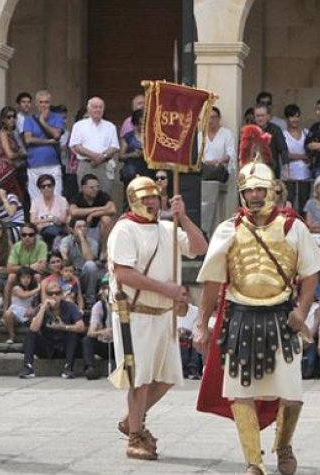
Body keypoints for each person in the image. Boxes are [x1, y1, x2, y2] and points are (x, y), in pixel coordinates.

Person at [194, 148, 320, 475]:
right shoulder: (228, 229)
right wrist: (201, 324)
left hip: (282, 317)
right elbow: (212, 280)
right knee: (241, 395)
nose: (254, 196)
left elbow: (311, 272)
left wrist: (302, 310)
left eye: (259, 189)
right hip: (240, 318)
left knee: (291, 395)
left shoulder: (293, 228)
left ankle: (283, 445)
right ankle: (254, 461)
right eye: (248, 190)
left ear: (272, 190)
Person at [110, 175, 207, 460]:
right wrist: (167, 289)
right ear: (133, 200)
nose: (152, 202)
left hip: (164, 315)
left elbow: (200, 248)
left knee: (166, 377)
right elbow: (123, 273)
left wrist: (183, 218)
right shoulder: (124, 229)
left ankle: (131, 419)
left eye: (155, 197)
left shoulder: (167, 227)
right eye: (146, 198)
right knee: (139, 378)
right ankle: (135, 435)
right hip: (135, 313)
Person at [20, 279, 85, 380]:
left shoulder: (70, 306)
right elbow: (33, 328)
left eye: (57, 293)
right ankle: (28, 368)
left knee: (72, 334)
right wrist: (43, 309)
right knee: (30, 334)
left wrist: (64, 327)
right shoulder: (42, 307)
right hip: (47, 345)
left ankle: (68, 368)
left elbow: (81, 327)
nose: (54, 296)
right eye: (50, 294)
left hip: (64, 345)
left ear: (62, 294)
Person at [68, 97, 120, 196]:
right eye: (95, 107)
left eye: (100, 107)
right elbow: (76, 146)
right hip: (86, 164)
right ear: (88, 109)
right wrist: (94, 156)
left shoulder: (110, 126)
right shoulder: (79, 125)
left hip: (104, 165)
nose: (98, 109)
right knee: (84, 196)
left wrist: (101, 157)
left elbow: (115, 147)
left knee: (104, 195)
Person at [200, 106, 236, 231]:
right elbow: (198, 156)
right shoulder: (201, 135)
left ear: (219, 118)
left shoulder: (226, 134)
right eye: (209, 118)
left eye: (214, 117)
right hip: (205, 171)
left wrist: (218, 161)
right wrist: (207, 163)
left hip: (220, 170)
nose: (211, 120)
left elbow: (231, 154)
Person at [68, 174, 117, 250]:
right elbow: (73, 212)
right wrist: (101, 208)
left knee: (106, 219)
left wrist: (93, 214)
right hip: (83, 226)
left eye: (97, 186)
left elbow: (113, 209)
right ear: (83, 188)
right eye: (92, 187)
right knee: (68, 219)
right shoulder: (78, 197)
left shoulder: (102, 195)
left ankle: (104, 250)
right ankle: (75, 249)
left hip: (99, 227)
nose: (95, 189)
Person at [0, 107, 26, 202]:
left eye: (14, 117)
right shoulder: (3, 133)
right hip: (5, 169)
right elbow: (10, 154)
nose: (12, 119)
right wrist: (22, 154)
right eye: (8, 117)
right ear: (3, 119)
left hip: (14, 169)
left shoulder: (13, 134)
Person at [84, 276, 114, 380]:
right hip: (104, 342)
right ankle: (90, 367)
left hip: (118, 344)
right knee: (87, 341)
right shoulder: (98, 306)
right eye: (105, 287)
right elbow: (90, 332)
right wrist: (102, 332)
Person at [29, 173, 69, 249]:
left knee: (58, 237)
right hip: (41, 231)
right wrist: (51, 219)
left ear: (53, 186)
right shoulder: (35, 202)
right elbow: (32, 221)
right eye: (43, 186)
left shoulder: (62, 200)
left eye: (49, 186)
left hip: (58, 230)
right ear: (40, 189)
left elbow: (63, 219)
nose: (46, 188)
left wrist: (42, 220)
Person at [1, 266, 39, 344]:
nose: (26, 280)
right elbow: (24, 295)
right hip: (15, 313)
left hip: (27, 314)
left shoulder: (33, 289)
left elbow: (36, 303)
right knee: (8, 314)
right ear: (19, 279)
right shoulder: (16, 288)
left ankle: (35, 339)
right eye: (23, 277)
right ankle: (12, 336)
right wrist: (39, 288)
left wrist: (33, 309)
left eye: (28, 277)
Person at [119, 108, 148, 186]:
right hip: (131, 169)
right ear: (135, 124)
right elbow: (121, 156)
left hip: (147, 168)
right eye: (140, 124)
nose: (143, 126)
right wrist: (132, 154)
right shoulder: (128, 137)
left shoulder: (150, 137)